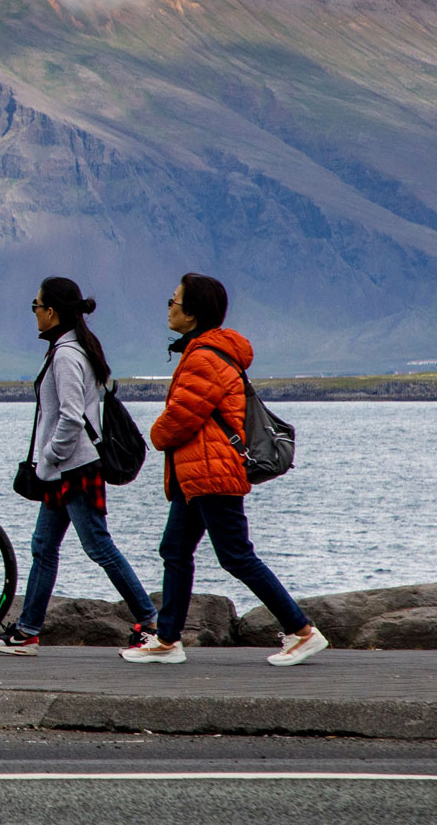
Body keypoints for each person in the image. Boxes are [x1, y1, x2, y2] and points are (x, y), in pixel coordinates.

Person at [121, 273, 328, 666]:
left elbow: (182, 416)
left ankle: (302, 631)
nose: (168, 306)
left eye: (174, 300)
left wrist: (155, 433)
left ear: (193, 313)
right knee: (175, 550)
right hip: (196, 474)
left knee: (235, 555)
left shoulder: (203, 357)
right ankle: (167, 641)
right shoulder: (204, 351)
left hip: (212, 473)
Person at [0, 277, 158, 655]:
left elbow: (71, 418)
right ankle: (27, 631)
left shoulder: (66, 355)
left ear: (52, 312)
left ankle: (150, 623)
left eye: (36, 305)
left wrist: (48, 459)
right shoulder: (75, 348)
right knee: (43, 546)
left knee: (98, 546)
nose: (35, 313)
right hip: (68, 469)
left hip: (73, 469)